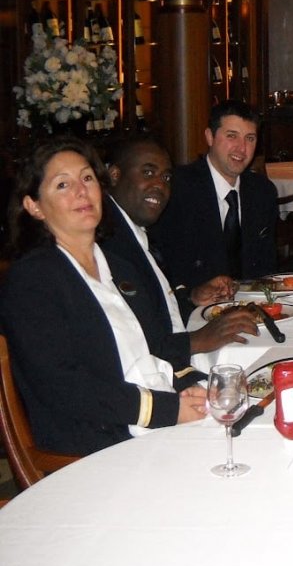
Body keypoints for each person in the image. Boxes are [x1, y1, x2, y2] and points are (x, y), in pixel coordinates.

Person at [0, 137, 208, 456]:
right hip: (97, 449)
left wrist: (195, 387)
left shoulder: (119, 267)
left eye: (87, 178)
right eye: (63, 184)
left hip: (156, 424)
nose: (81, 191)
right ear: (34, 206)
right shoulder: (32, 280)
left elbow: (156, 346)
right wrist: (168, 410)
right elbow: (65, 387)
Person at [103, 136, 258, 355]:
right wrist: (195, 341)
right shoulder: (108, 243)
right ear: (115, 175)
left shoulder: (131, 231)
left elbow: (152, 309)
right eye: (148, 173)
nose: (160, 185)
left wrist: (191, 297)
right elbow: (127, 346)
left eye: (166, 177)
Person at [150, 100, 278, 312]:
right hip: (192, 310)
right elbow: (162, 266)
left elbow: (266, 268)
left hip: (253, 309)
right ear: (210, 137)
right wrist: (191, 295)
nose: (241, 148)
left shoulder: (262, 191)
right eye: (231, 136)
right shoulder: (178, 189)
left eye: (250, 138)